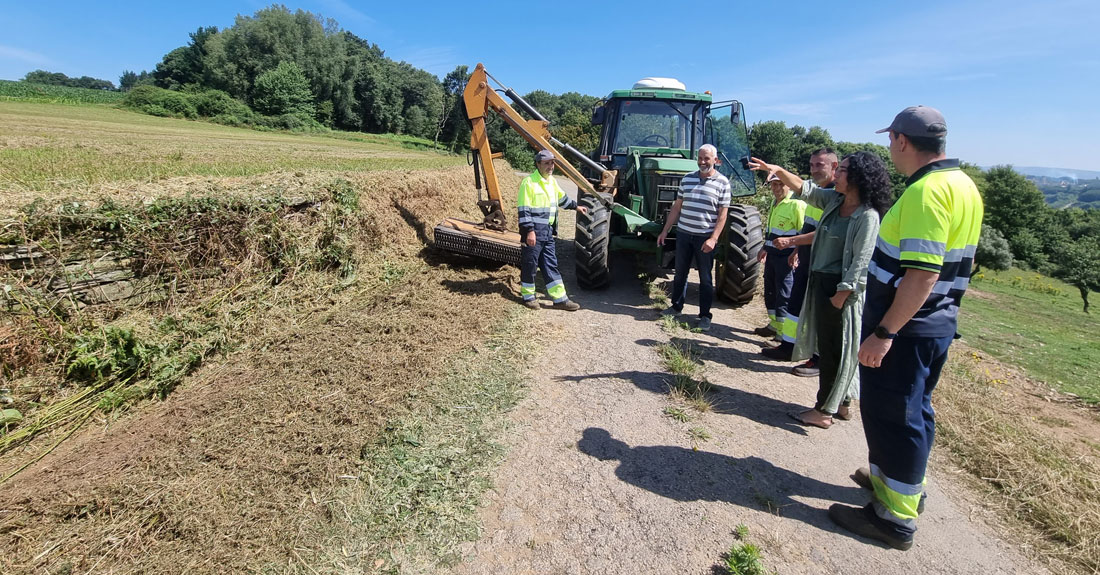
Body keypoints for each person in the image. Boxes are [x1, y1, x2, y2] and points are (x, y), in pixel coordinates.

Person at [831, 106, 983, 550]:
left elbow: (921, 274)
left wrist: (885, 332)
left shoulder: (926, 192)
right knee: (914, 411)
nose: (889, 150)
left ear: (900, 140)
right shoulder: (963, 185)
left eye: (890, 140)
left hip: (908, 328)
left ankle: (894, 521)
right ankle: (894, 485)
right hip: (934, 324)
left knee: (896, 415)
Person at [750, 152, 892, 429]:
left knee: (834, 352)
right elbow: (805, 189)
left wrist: (842, 295)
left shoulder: (867, 216)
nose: (836, 174)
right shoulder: (836, 201)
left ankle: (823, 411)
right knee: (836, 349)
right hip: (824, 285)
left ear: (858, 178)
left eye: (844, 170)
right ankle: (843, 403)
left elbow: (862, 261)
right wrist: (777, 169)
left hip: (840, 292)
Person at [772, 149, 837, 377]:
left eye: (819, 165)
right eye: (811, 165)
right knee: (796, 301)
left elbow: (824, 233)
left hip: (824, 261)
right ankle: (788, 346)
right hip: (807, 257)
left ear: (834, 166)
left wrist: (791, 241)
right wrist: (797, 250)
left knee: (821, 310)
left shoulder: (837, 195)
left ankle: (818, 359)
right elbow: (809, 226)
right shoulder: (817, 193)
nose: (814, 169)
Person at [657, 144, 732, 331]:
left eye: (706, 158)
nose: (702, 162)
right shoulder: (687, 179)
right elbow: (677, 207)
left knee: (705, 278)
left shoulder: (723, 183)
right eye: (700, 158)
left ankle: (705, 315)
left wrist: (713, 238)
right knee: (680, 272)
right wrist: (666, 230)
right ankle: (676, 307)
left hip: (704, 237)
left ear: (715, 160)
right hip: (684, 234)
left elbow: (723, 215)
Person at [518, 149, 588, 311]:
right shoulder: (529, 183)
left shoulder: (552, 182)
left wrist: (576, 207)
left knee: (551, 263)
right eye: (547, 163)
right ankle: (528, 297)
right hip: (533, 231)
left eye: (552, 163)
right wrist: (529, 231)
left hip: (548, 231)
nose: (551, 166)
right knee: (530, 264)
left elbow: (562, 199)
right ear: (538, 164)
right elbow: (524, 209)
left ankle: (560, 299)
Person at [754, 173, 806, 360]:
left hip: (787, 256)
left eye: (780, 184)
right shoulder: (774, 204)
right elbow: (771, 231)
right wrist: (763, 247)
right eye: (773, 185)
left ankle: (783, 334)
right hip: (773, 254)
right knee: (771, 289)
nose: (776, 189)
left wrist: (796, 252)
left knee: (784, 292)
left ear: (789, 186)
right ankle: (774, 324)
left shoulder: (796, 205)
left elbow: (803, 232)